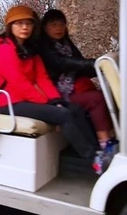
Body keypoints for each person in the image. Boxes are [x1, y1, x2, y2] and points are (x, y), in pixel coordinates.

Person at [0, 5, 100, 168]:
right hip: (8, 102)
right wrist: (47, 104)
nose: (25, 27)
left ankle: (98, 150)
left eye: (28, 23)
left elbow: (42, 78)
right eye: (19, 23)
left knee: (75, 108)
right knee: (64, 115)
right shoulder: (5, 50)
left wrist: (55, 99)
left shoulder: (29, 49)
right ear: (10, 26)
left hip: (26, 99)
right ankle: (93, 160)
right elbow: (20, 84)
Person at [36, 9, 116, 167]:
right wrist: (94, 63)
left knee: (104, 94)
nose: (59, 28)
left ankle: (111, 139)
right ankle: (104, 144)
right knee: (96, 98)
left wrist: (102, 67)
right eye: (54, 25)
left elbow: (79, 65)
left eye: (62, 24)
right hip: (55, 93)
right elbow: (62, 63)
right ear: (45, 27)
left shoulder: (66, 44)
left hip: (71, 88)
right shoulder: (44, 47)